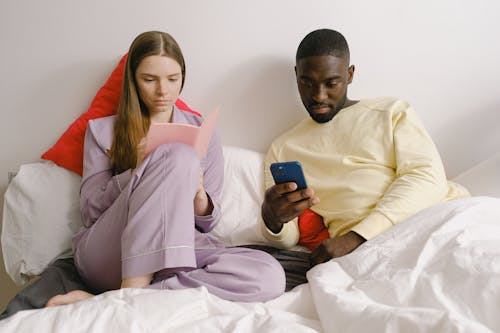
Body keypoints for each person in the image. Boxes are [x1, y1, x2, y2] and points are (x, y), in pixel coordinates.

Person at [46, 31, 285, 306]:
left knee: (268, 275)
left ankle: (123, 300)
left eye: (173, 79)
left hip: (178, 251)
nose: (163, 91)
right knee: (177, 155)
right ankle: (131, 292)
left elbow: (209, 223)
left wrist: (198, 196)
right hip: (110, 254)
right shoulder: (102, 131)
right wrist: (138, 170)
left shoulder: (202, 131)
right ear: (133, 80)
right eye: (149, 80)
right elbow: (91, 210)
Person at [260, 29, 469, 267]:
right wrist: (272, 220)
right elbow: (287, 240)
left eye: (331, 83)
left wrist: (357, 237)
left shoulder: (391, 111)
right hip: (366, 256)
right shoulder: (283, 148)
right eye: (307, 82)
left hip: (435, 221)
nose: (318, 96)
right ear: (297, 75)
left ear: (349, 75)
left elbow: (427, 177)